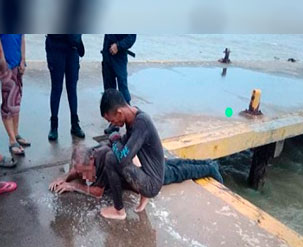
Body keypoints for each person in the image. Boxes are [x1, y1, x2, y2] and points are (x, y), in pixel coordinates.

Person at [49, 143, 223, 199]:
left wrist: (74, 187)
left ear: (92, 160)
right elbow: (77, 169)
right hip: (140, 165)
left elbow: (98, 192)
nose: (83, 177)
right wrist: (65, 177)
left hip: (144, 176)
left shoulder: (105, 160)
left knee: (178, 173)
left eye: (83, 172)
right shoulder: (92, 154)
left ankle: (209, 167)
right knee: (174, 164)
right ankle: (206, 162)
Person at [99, 89, 164, 220]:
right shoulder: (133, 117)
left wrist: (115, 140)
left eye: (112, 120)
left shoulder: (141, 124)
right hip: (149, 173)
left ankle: (119, 211)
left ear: (119, 112)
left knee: (111, 159)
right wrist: (115, 142)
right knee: (114, 153)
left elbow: (123, 158)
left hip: (152, 184)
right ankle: (143, 195)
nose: (113, 124)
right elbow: (126, 143)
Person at [45, 34, 86, 141]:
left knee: (72, 88)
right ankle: (54, 126)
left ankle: (75, 124)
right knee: (56, 88)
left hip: (73, 49)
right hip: (56, 48)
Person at [0, 34, 28, 163]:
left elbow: (22, 39)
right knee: (8, 103)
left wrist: (23, 60)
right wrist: (3, 62)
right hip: (6, 65)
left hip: (17, 64)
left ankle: (16, 134)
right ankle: (12, 140)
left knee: (16, 100)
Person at [101, 34, 136, 135]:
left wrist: (118, 46)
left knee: (123, 88)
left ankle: (132, 122)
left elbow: (132, 37)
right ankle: (114, 123)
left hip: (119, 55)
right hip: (107, 54)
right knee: (109, 91)